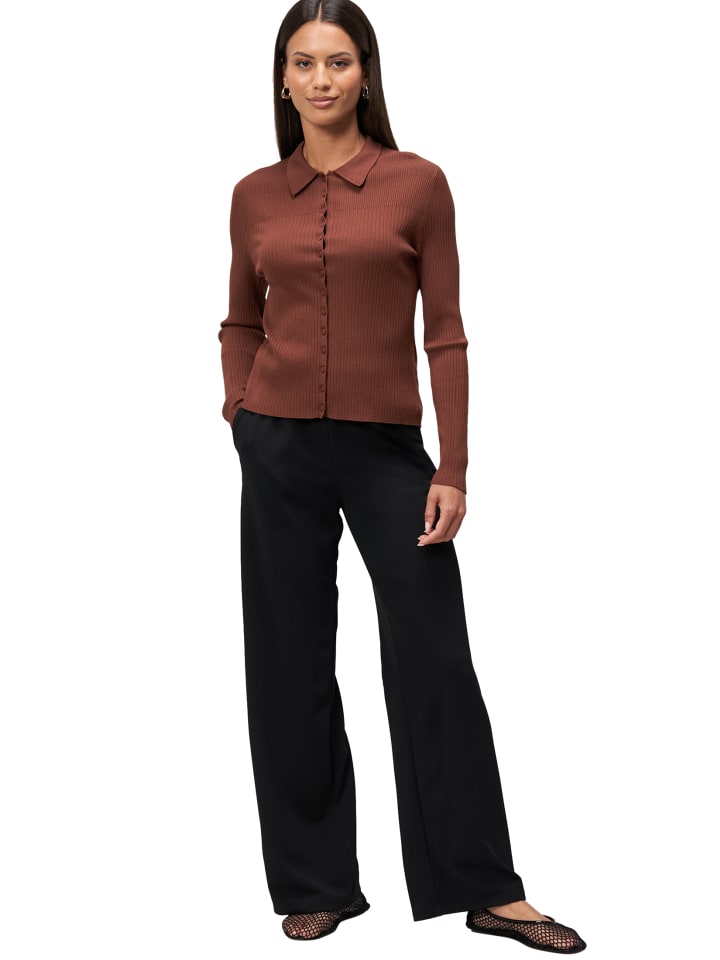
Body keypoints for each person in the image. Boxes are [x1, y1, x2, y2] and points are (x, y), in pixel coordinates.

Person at [218, 0, 586, 952]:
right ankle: (317, 883)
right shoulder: (255, 195)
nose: (322, 79)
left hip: (389, 453)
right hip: (279, 449)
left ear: (366, 74)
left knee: (434, 658)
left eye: (339, 61)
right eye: (304, 62)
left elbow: (446, 331)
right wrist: (241, 413)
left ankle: (485, 887)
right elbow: (240, 319)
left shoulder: (418, 183)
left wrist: (452, 466)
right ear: (283, 79)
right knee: (287, 662)